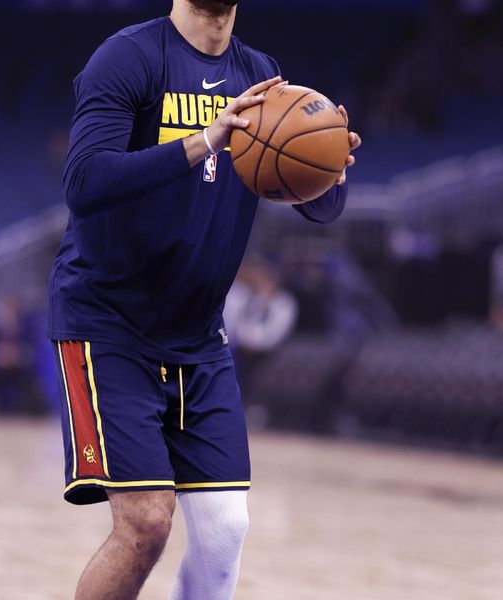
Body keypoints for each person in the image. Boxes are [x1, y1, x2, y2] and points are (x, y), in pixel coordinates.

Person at [47, 1, 361, 598]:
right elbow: (84, 183)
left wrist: (330, 171)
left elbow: (317, 205)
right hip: (108, 325)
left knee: (224, 532)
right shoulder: (129, 57)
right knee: (144, 525)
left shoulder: (262, 74)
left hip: (198, 337)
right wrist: (205, 140)